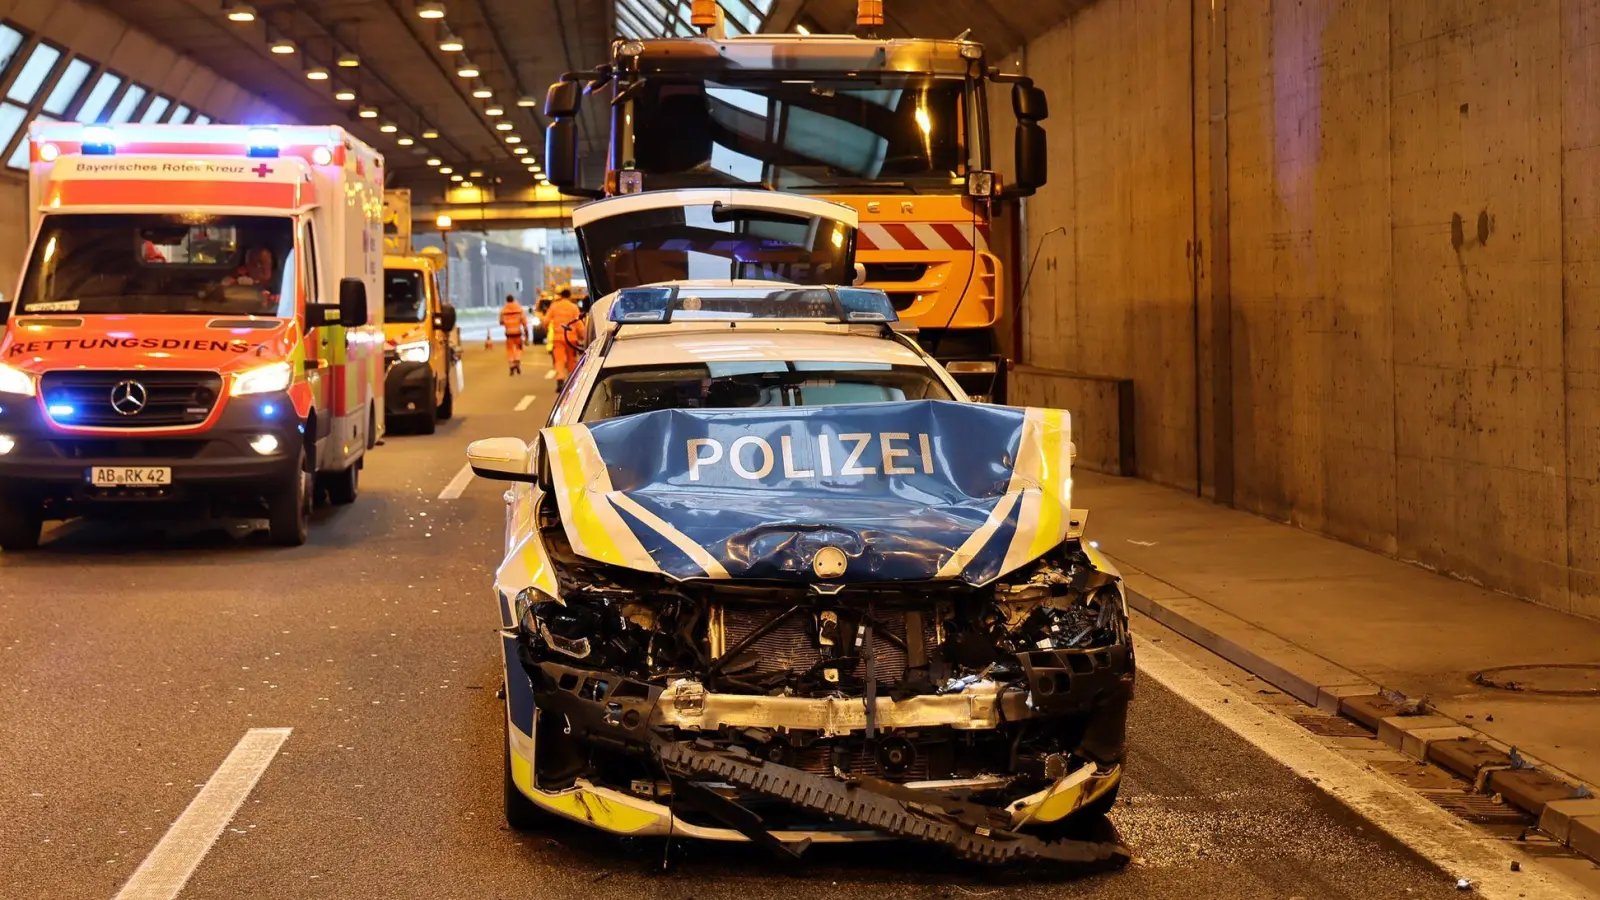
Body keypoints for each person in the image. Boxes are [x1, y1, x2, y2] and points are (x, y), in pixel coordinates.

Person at [545, 288, 586, 391]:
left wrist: (547, 330)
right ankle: (572, 382)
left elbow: (546, 321)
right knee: (572, 360)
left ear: (561, 296)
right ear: (569, 296)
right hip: (571, 338)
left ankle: (560, 380)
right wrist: (583, 335)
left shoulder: (554, 306)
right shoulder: (573, 307)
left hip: (558, 338)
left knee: (559, 360)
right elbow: (578, 322)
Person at [499, 294, 530, 375]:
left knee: (510, 350)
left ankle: (512, 363)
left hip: (508, 333)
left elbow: (501, 322)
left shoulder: (503, 310)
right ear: (513, 299)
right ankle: (517, 359)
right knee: (519, 348)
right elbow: (524, 323)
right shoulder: (519, 309)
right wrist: (527, 335)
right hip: (518, 333)